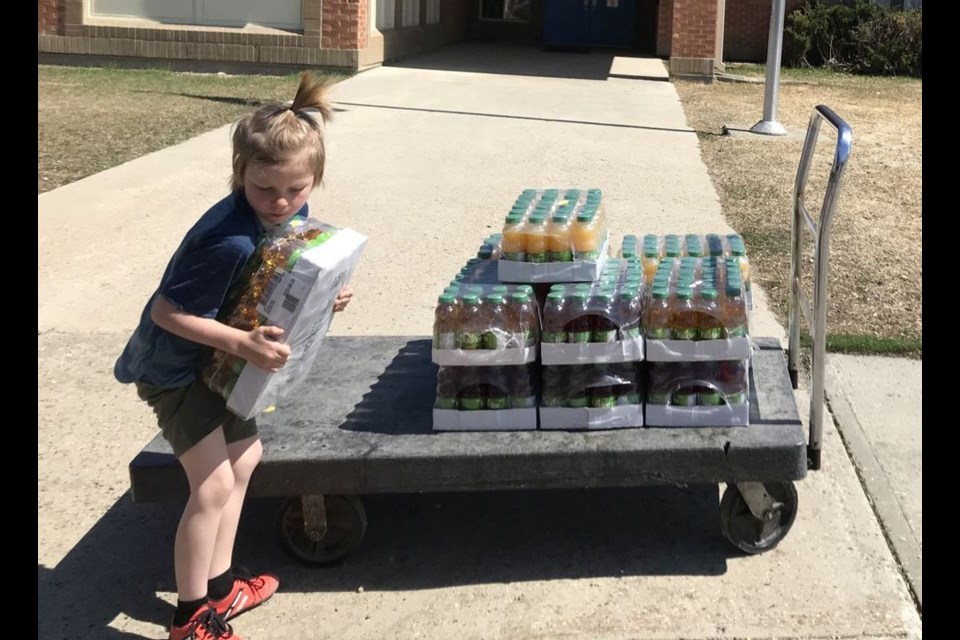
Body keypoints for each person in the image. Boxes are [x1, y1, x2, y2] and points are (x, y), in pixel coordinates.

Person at [114, 72, 353, 640]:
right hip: (177, 370)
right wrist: (243, 343)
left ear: (313, 178)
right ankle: (191, 615)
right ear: (239, 174)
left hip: (219, 364)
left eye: (296, 190)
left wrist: (326, 295)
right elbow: (166, 314)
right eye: (264, 189)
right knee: (214, 484)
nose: (282, 203)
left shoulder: (284, 215)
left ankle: (221, 589)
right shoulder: (228, 240)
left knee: (245, 460)